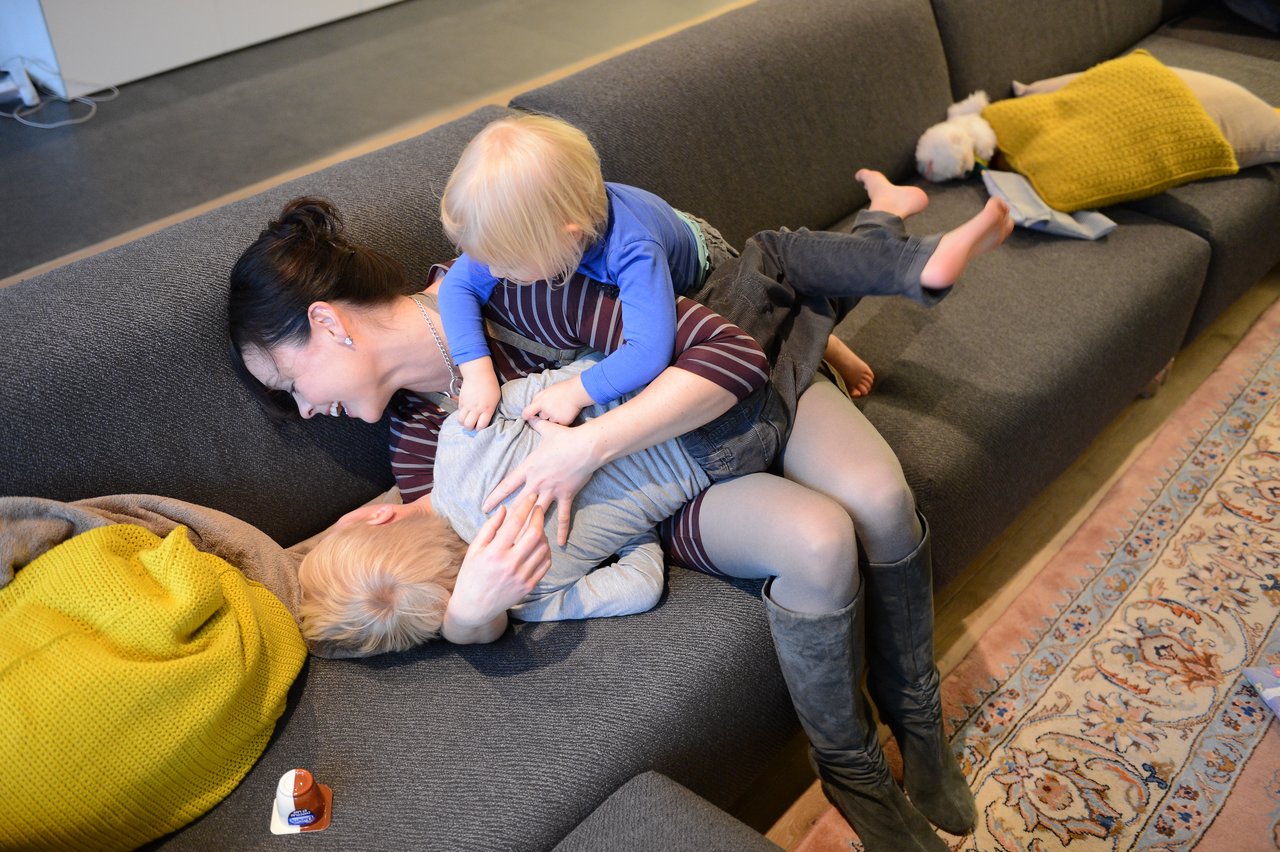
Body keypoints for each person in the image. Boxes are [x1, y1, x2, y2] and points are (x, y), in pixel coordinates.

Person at [228, 176, 1013, 851]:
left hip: (724, 392)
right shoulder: (417, 435)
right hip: (667, 493)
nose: (308, 409)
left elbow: (726, 348)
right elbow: (448, 567)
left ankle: (917, 720)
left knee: (879, 496)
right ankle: (853, 773)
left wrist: (591, 444)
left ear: (328, 323)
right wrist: (471, 612)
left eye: (290, 382)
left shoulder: (511, 275)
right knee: (816, 538)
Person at [436, 113, 876, 433]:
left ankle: (822, 334)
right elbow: (457, 286)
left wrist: (576, 392)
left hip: (702, 272)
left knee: (754, 324)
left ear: (567, 237)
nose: (491, 271)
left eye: (506, 263)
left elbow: (649, 350)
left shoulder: (633, 251)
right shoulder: (530, 233)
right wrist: (477, 373)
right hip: (654, 235)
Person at [298, 355, 718, 656]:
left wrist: (633, 522)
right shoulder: (456, 440)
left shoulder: (526, 600)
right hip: (677, 368)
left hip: (711, 454)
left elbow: (641, 588)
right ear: (380, 515)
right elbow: (568, 379)